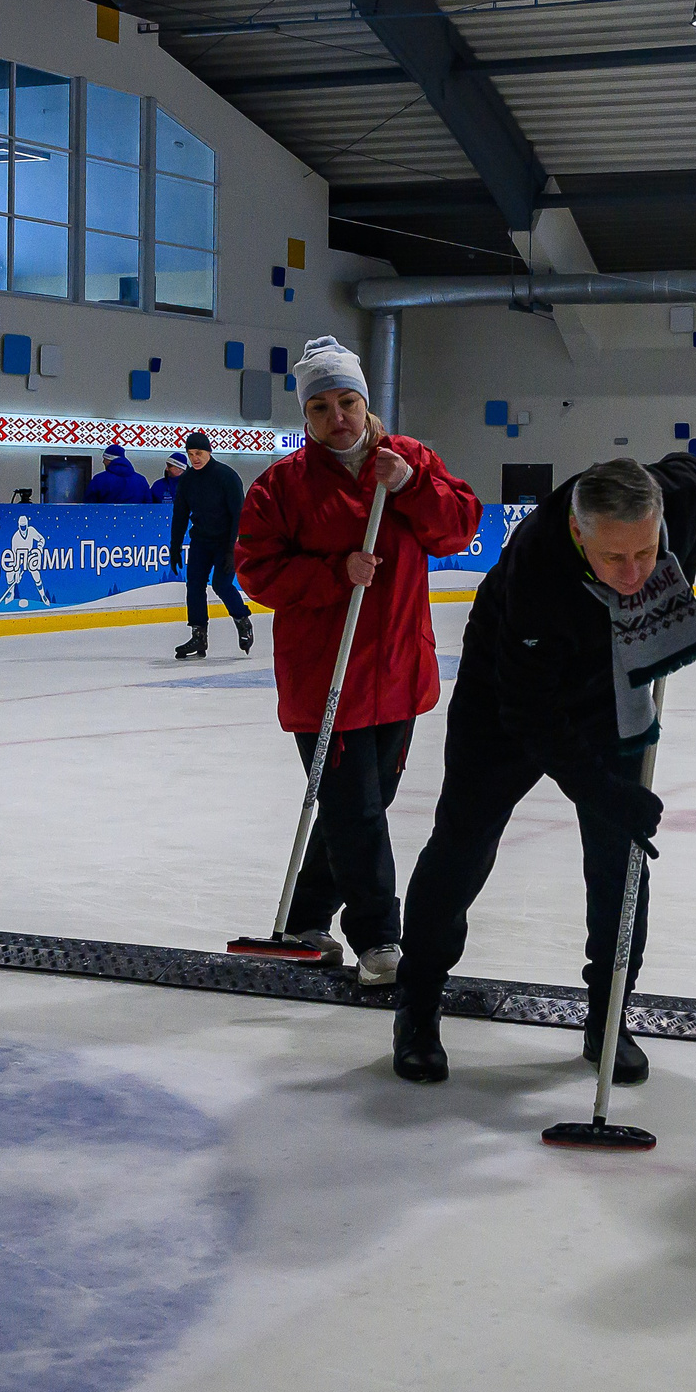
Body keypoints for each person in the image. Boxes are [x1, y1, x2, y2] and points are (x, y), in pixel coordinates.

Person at [390, 455, 696, 1085]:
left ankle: (609, 1012)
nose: (634, 574)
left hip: (612, 685)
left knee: (620, 859)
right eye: (614, 559)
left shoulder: (672, 498)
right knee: (462, 843)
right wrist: (604, 791)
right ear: (578, 531)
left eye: (646, 553)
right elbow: (530, 714)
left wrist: (675, 585)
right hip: (507, 692)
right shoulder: (538, 567)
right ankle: (419, 1002)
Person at [235, 336, 480, 986]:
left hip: (396, 670)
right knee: (357, 814)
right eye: (320, 407)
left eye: (346, 401)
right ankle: (378, 938)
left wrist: (413, 487)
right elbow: (256, 570)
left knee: (364, 806)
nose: (336, 417)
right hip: (326, 679)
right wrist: (335, 573)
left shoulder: (410, 460)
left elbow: (459, 527)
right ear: (306, 416)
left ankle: (304, 917)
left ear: (365, 402)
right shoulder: (281, 486)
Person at [169, 431, 252, 660]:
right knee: (194, 585)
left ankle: (242, 620)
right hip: (201, 541)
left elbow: (239, 514)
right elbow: (180, 514)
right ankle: (199, 634)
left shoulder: (226, 476)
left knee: (221, 584)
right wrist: (175, 546)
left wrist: (232, 549)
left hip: (226, 541)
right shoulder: (187, 480)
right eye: (190, 454)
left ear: (209, 452)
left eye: (199, 453)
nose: (194, 458)